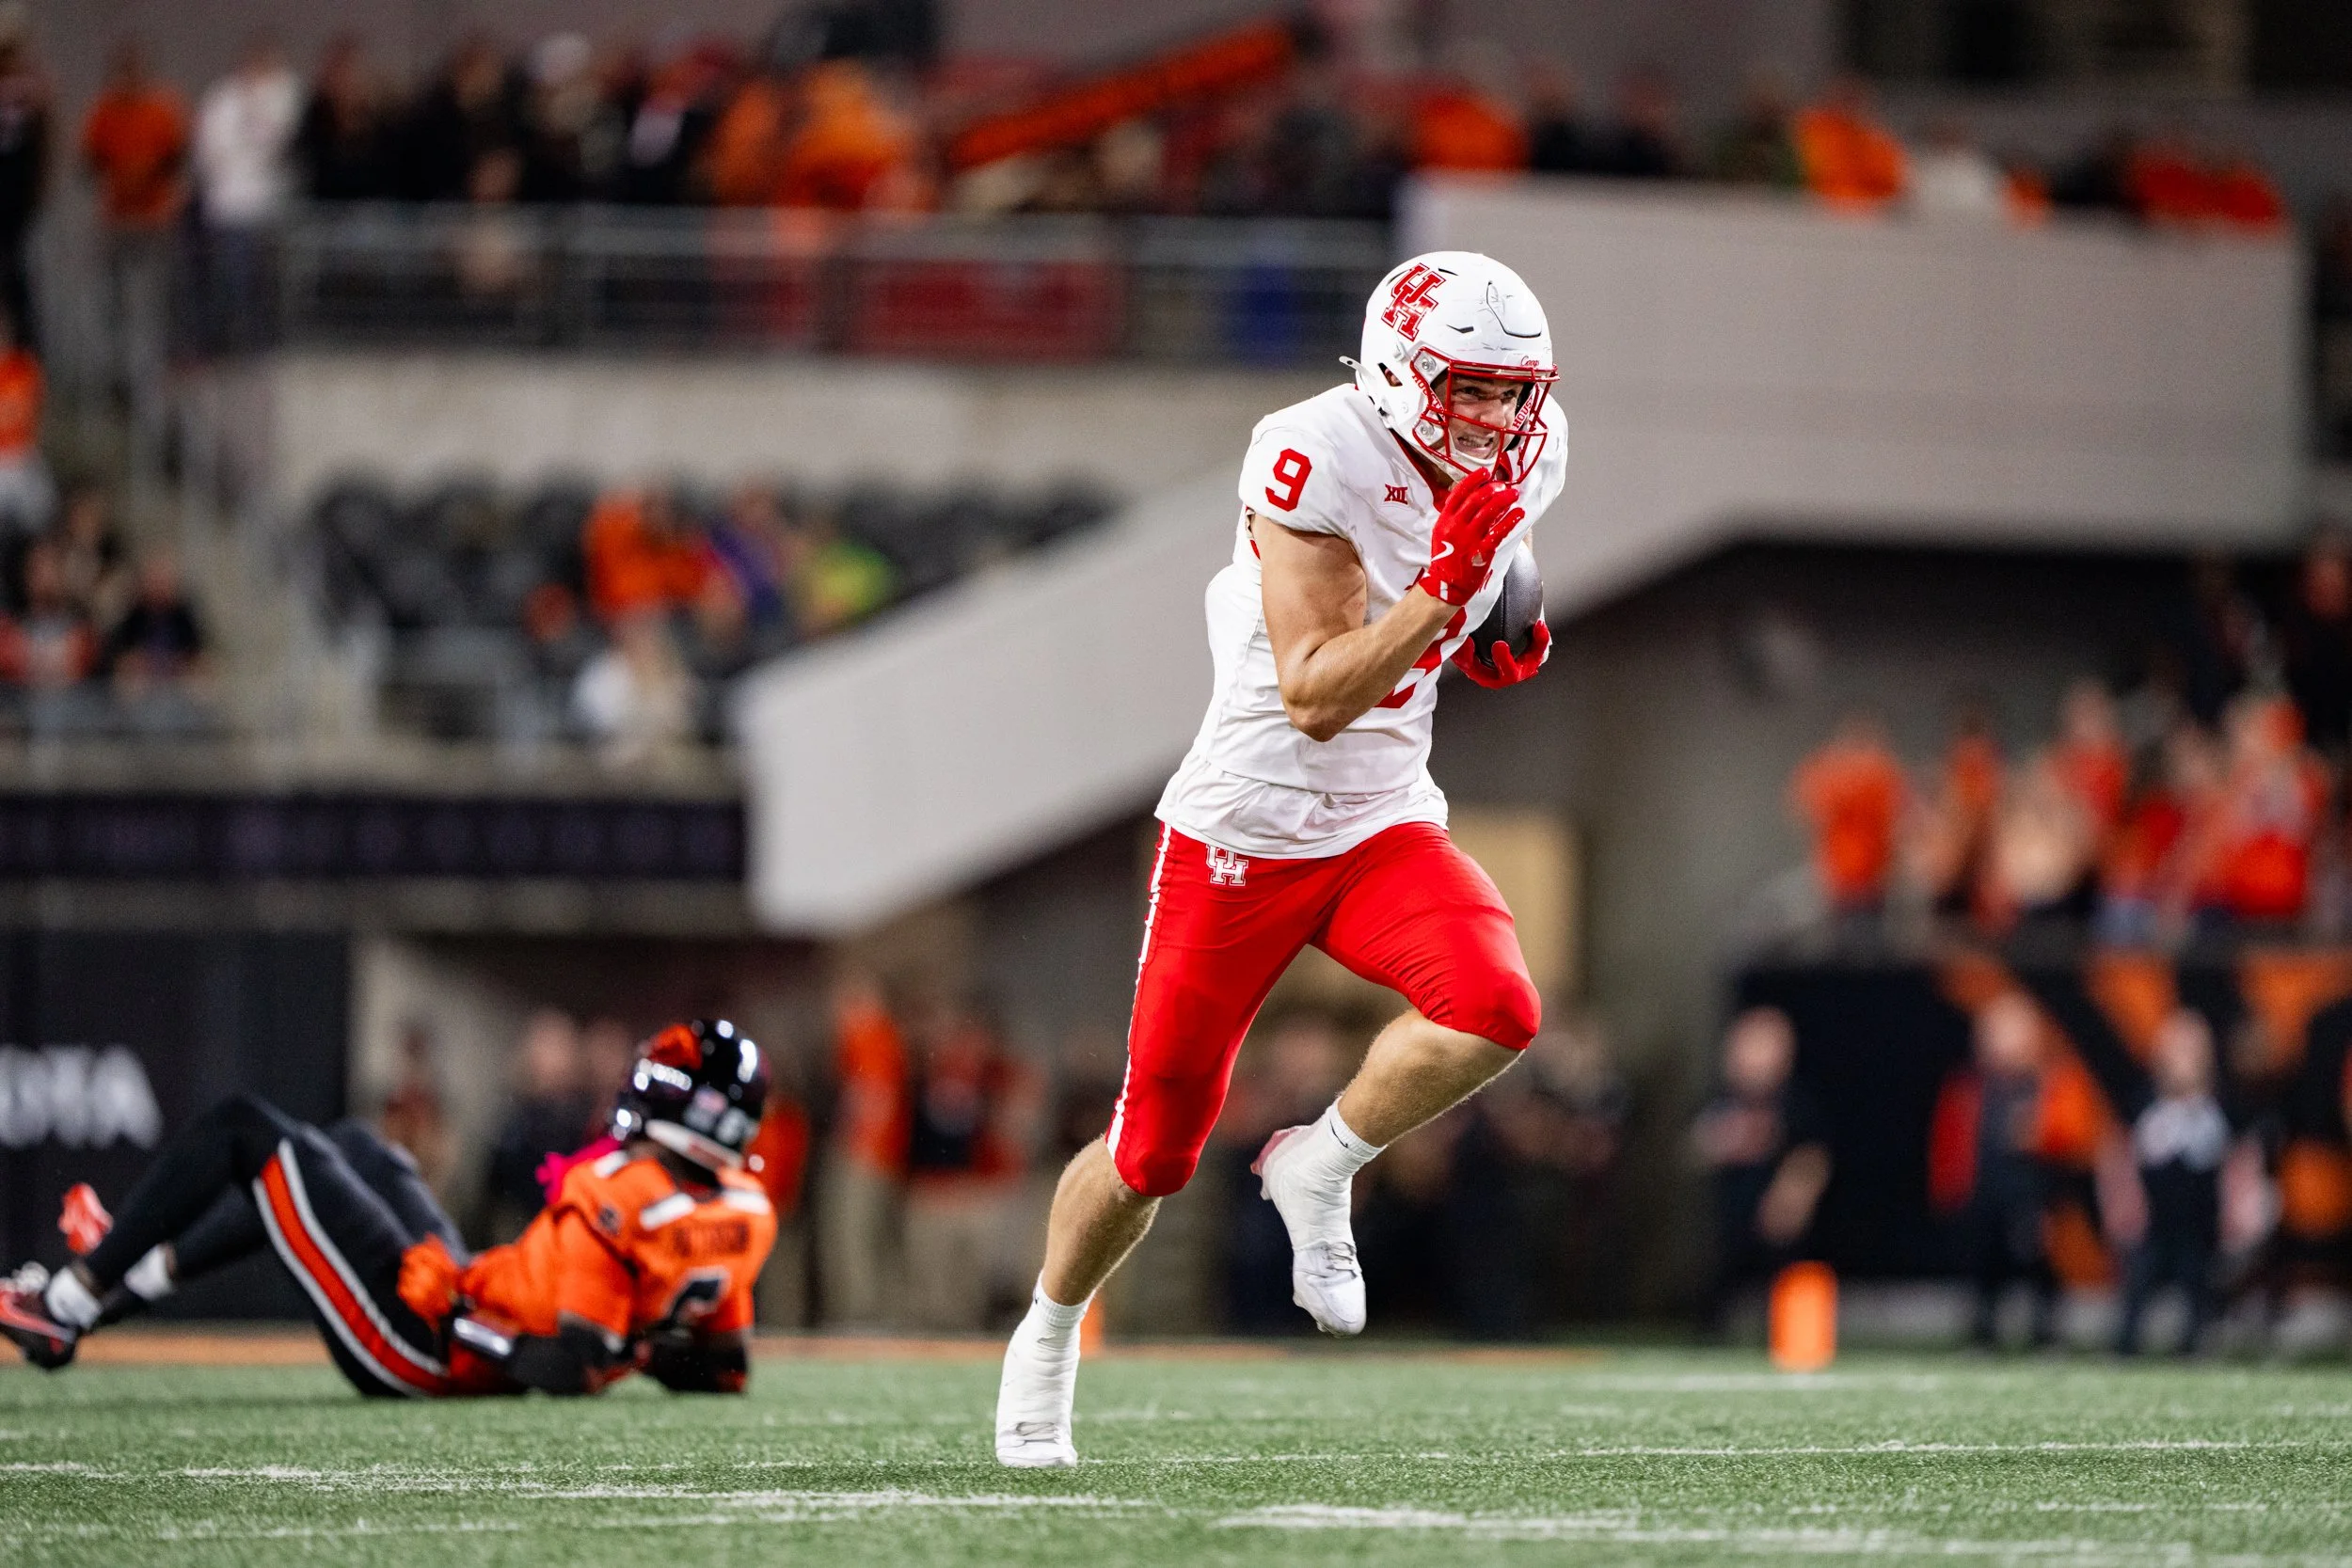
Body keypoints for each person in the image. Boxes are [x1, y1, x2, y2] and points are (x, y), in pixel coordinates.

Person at [993, 252, 1563, 1466]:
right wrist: (1444, 594)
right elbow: (1313, 693)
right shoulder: (1311, 451)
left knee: (1499, 1003)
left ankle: (1323, 1160)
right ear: (1405, 374)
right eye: (1471, 390)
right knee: (1152, 1148)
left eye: (1514, 393)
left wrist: (1498, 612)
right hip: (1247, 827)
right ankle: (1047, 1329)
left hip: (1382, 822)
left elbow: (1480, 587)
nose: (1497, 420)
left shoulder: (1531, 444)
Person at [2, 1020, 775, 1399]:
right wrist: (640, 1345)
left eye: (669, 1081)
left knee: (245, 1127)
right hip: (475, 1291)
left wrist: (458, 1318)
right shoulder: (742, 1207)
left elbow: (573, 1364)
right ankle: (121, 1278)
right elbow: (725, 1366)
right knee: (361, 1148)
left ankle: (70, 1299)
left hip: (428, 1341)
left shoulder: (621, 1194)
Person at [1930, 992, 2061, 1349]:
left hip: (2028, 1196)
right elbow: (1948, 1142)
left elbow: (2076, 1136)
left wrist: (2042, 1134)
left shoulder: (2048, 1084)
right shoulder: (1968, 1088)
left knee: (2035, 1266)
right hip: (1980, 1195)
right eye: (1994, 1030)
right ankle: (1982, 1335)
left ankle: (2044, 1336)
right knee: (1983, 1269)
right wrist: (1948, 1190)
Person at [1691, 1006, 1831, 1332]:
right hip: (1726, 1215)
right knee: (1715, 1284)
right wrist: (1721, 1142)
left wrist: (1791, 1196)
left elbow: (1813, 1154)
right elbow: (1693, 1147)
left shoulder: (1795, 1104)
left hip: (1775, 1214)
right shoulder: (1719, 1099)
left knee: (1785, 1278)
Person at [78, 40, 184, 467]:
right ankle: (117, 378)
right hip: (117, 222)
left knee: (152, 310)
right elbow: (89, 159)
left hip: (154, 221)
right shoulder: (106, 110)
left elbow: (176, 155)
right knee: (114, 307)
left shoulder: (161, 108)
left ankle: (149, 382)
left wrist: (144, 180)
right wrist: (120, 179)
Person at [2113, 1008, 2231, 1355]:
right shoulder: (2147, 1101)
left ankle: (2194, 1342)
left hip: (2197, 1216)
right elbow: (2142, 1150)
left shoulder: (2216, 1102)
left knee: (2196, 1280)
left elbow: (2215, 1150)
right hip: (2155, 1216)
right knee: (2140, 1280)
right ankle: (2126, 1343)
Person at [193, 36, 301, 351]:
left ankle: (268, 345)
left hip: (271, 207)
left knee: (270, 284)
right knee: (232, 280)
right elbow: (211, 152)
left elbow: (281, 142)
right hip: (230, 208)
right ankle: (231, 345)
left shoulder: (285, 95)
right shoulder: (223, 99)